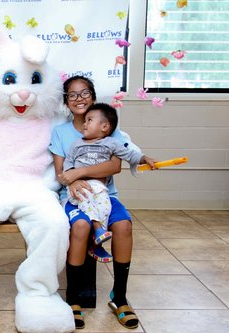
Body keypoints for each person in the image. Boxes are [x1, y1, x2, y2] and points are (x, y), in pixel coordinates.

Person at [49, 75, 155, 330]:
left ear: (93, 96)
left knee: (123, 226)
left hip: (106, 196)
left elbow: (115, 165)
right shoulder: (61, 133)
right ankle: (73, 299)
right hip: (74, 198)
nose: (79, 99)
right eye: (72, 94)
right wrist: (71, 181)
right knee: (81, 228)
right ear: (66, 101)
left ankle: (119, 298)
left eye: (84, 93)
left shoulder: (110, 129)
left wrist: (79, 173)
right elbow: (62, 173)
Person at [63, 102, 154, 261]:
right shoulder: (76, 145)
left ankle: (97, 239)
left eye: (89, 120)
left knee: (104, 205)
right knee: (87, 199)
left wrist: (144, 158)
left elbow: (130, 155)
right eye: (84, 120)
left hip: (99, 188)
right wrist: (72, 179)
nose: (84, 124)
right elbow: (68, 165)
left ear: (104, 127)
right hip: (79, 188)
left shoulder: (111, 144)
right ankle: (98, 230)